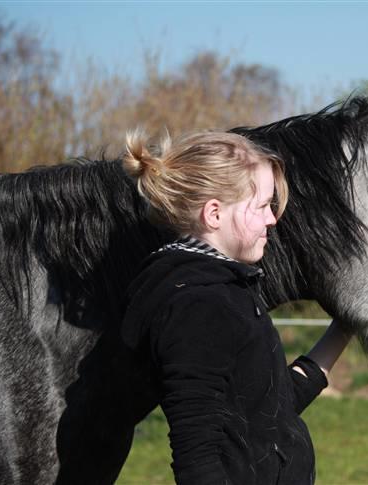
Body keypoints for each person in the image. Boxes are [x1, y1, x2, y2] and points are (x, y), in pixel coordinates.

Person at [120, 130, 352, 484]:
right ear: (214, 213)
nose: (273, 219)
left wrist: (345, 328)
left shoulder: (227, 290)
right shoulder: (196, 306)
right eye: (262, 206)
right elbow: (197, 458)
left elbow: (273, 406)